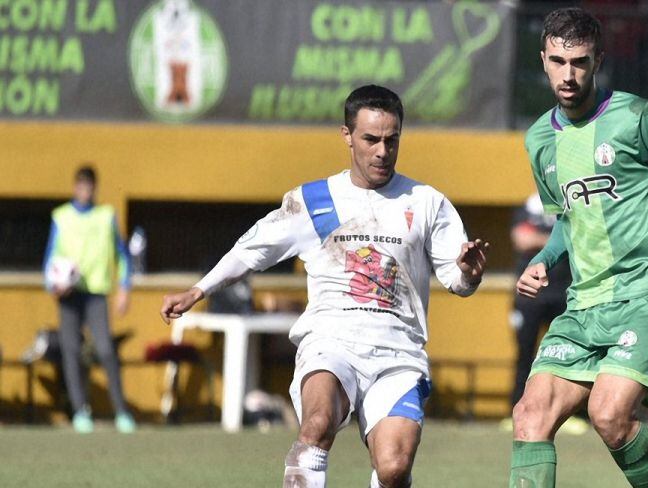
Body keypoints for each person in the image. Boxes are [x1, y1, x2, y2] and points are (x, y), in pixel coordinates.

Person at [160, 85, 489, 488]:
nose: (382, 151)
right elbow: (253, 249)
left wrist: (469, 274)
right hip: (331, 342)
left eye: (392, 140)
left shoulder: (425, 201)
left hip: (398, 353)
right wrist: (199, 290)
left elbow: (456, 278)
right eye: (371, 139)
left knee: (394, 467)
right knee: (316, 425)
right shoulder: (314, 199)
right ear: (347, 136)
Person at [510, 8, 648, 487]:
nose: (568, 75)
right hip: (583, 304)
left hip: (646, 296)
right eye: (558, 61)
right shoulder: (540, 140)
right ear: (543, 60)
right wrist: (544, 259)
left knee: (608, 414)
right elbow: (570, 217)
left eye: (580, 62)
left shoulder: (636, 117)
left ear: (598, 60)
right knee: (529, 415)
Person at [44, 165, 136, 434]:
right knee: (71, 351)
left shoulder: (106, 216)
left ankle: (121, 411)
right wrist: (54, 285)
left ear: (95, 187)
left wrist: (124, 288)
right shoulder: (61, 217)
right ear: (75, 187)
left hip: (96, 293)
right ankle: (81, 411)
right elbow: (50, 257)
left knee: (106, 350)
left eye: (90, 185)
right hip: (69, 296)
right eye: (81, 185)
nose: (85, 190)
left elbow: (122, 254)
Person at [504, 194, 584, 433]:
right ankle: (517, 410)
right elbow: (521, 239)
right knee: (525, 354)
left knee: (569, 355)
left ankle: (571, 414)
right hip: (531, 296)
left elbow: (582, 238)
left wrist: (541, 239)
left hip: (566, 293)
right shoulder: (529, 206)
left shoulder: (572, 201)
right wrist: (557, 240)